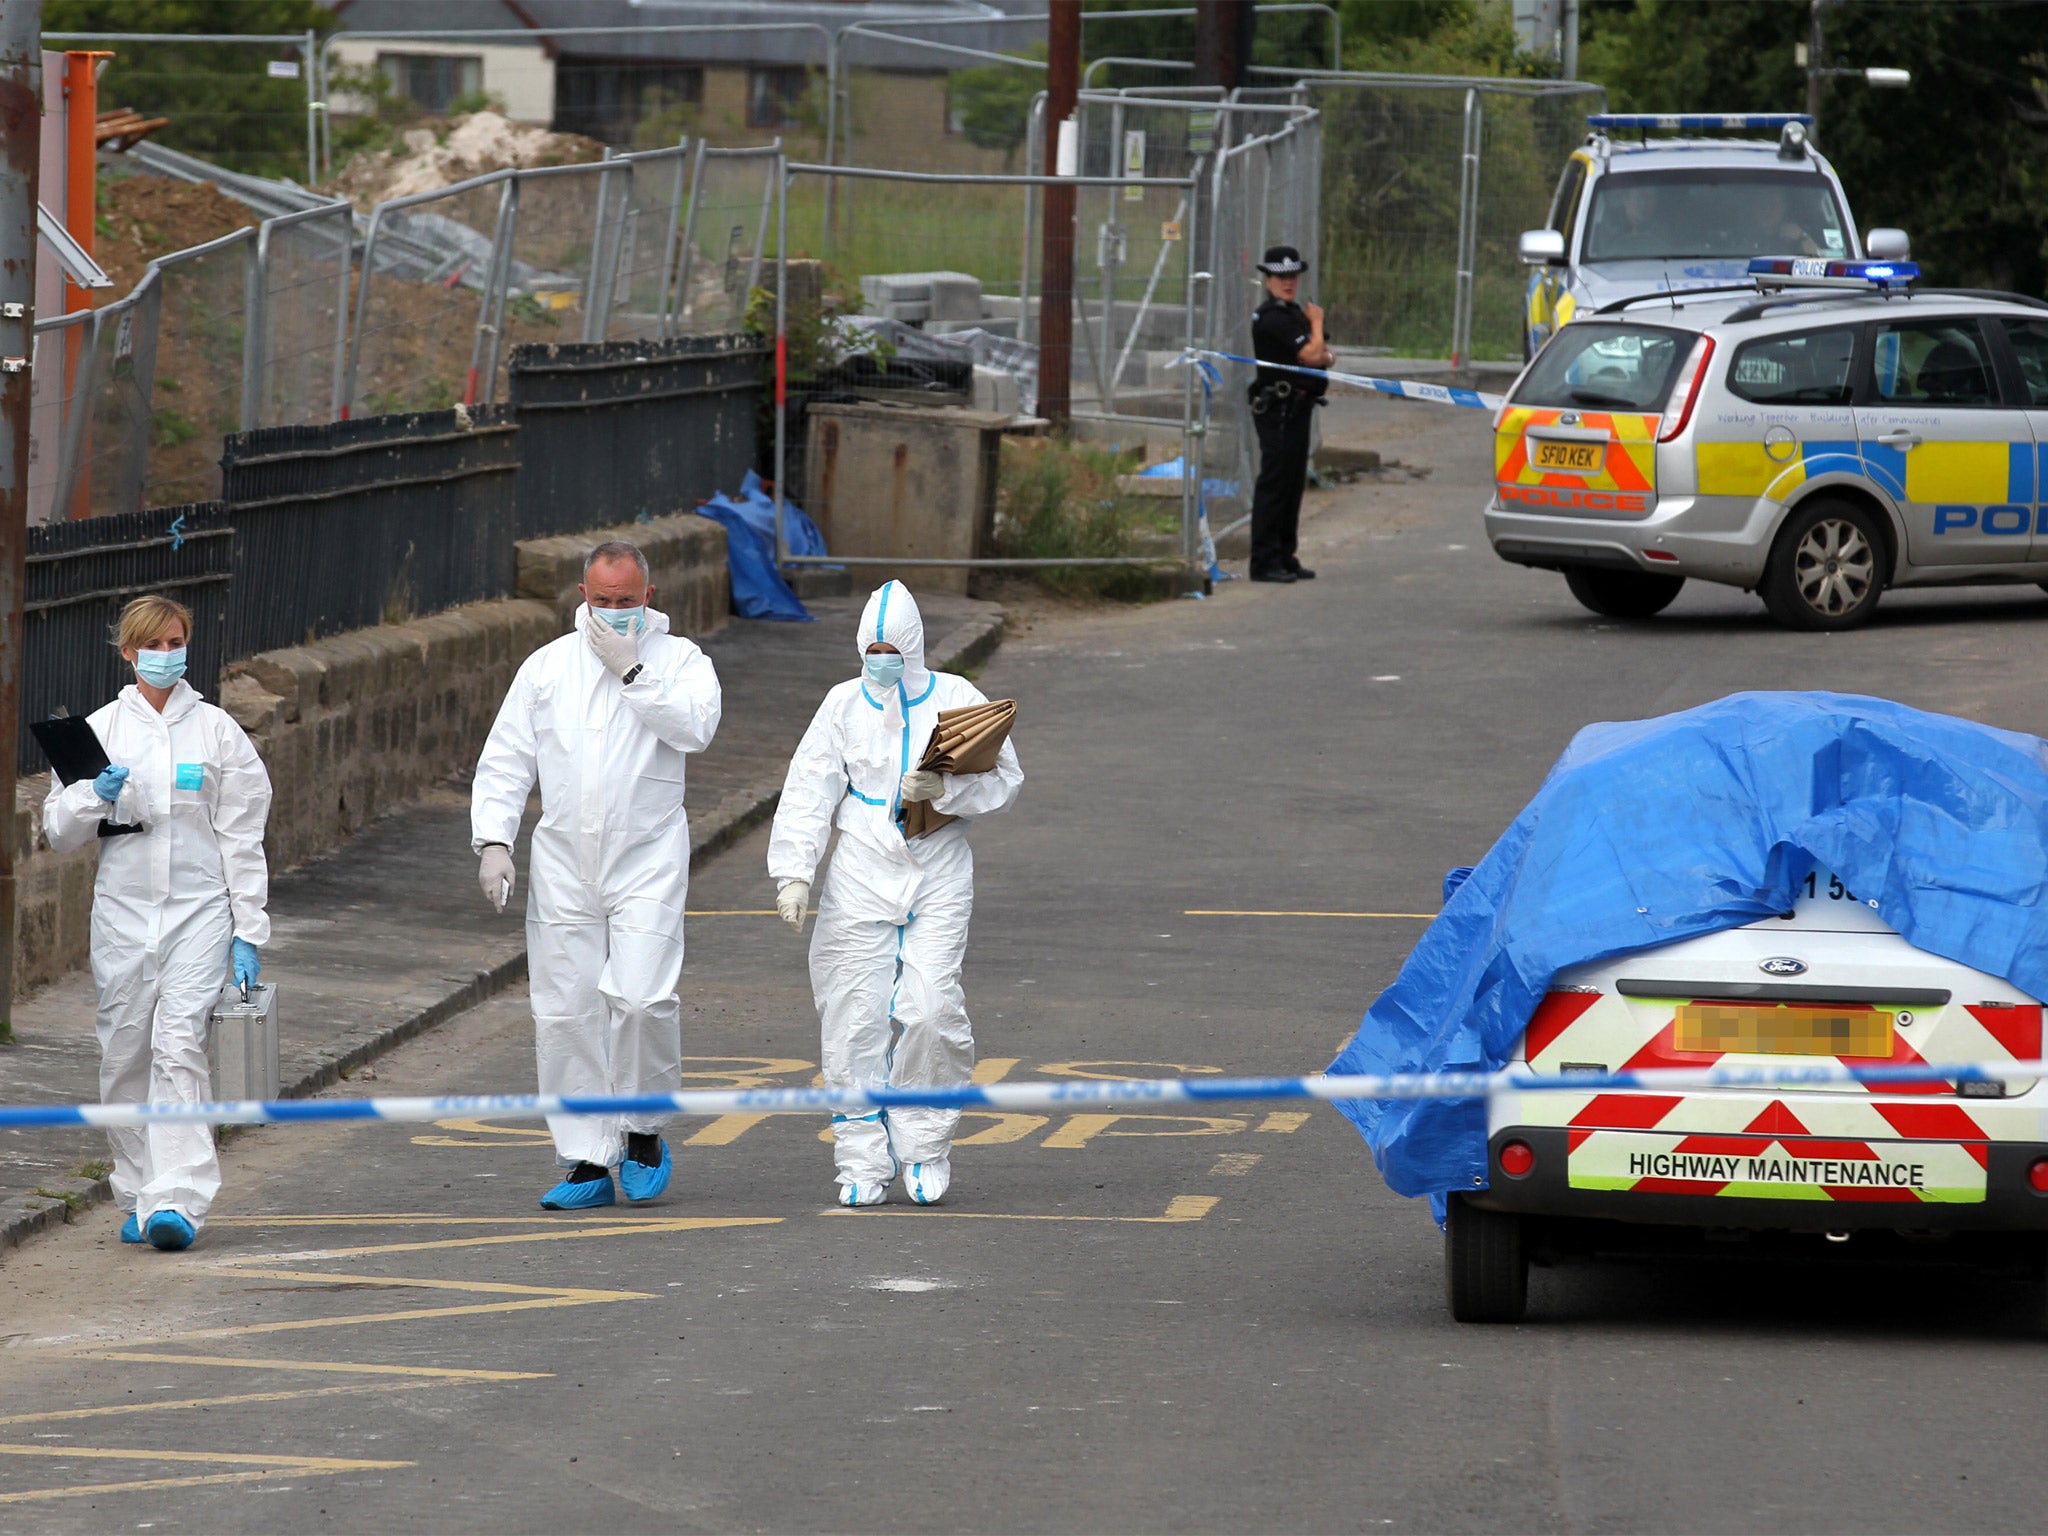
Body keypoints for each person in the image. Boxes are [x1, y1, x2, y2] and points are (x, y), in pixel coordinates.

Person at [471, 541, 722, 1211]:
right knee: (566, 1011)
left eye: (627, 601)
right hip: (564, 864)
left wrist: (635, 671)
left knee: (641, 999)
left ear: (651, 594)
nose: (614, 613)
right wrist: (494, 838)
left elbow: (696, 728)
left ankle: (641, 1131)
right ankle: (585, 1157)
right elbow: (506, 758)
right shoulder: (547, 668)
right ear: (583, 594)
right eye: (603, 601)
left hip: (647, 858)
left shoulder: (681, 661)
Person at [767, 582, 1022, 1208]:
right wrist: (794, 872)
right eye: (871, 648)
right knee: (854, 1011)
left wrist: (945, 792)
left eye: (891, 648)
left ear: (911, 648)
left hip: (937, 867)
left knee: (931, 1006)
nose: (880, 658)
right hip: (860, 868)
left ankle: (925, 1144)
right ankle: (860, 1156)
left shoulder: (958, 697)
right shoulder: (842, 703)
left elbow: (1005, 780)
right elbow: (810, 786)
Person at [43, 595, 272, 1253]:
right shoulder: (101, 729)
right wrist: (94, 795)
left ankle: (176, 1199)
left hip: (199, 911)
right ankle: (139, 1187)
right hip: (123, 914)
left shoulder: (218, 732)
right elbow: (58, 832)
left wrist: (247, 929)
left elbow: (243, 832)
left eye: (177, 642)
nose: (167, 655)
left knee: (177, 1042)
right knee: (124, 1050)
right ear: (128, 652)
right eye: (155, 645)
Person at [1248, 243, 1333, 584]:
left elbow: (1322, 351)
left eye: (1292, 276)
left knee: (1294, 483)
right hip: (1279, 409)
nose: (1287, 282)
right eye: (1280, 276)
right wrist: (1318, 324)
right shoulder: (1273, 318)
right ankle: (1264, 561)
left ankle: (1285, 554)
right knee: (1276, 484)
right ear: (1267, 279)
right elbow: (1314, 354)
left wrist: (1321, 351)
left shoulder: (1293, 314)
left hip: (1298, 408)